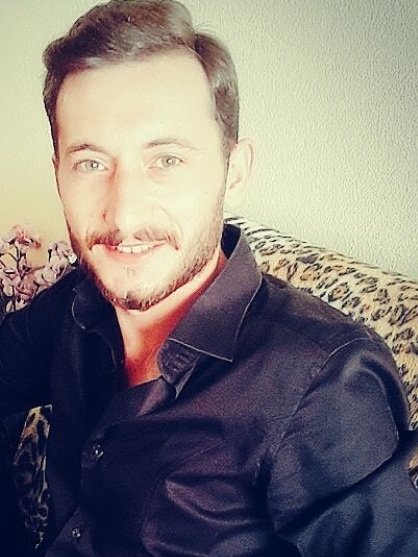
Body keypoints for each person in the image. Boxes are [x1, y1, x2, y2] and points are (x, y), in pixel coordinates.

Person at [0, 1, 418, 555]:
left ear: (234, 172)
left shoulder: (326, 383)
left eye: (166, 160)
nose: (123, 213)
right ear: (58, 175)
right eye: (91, 163)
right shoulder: (80, 299)